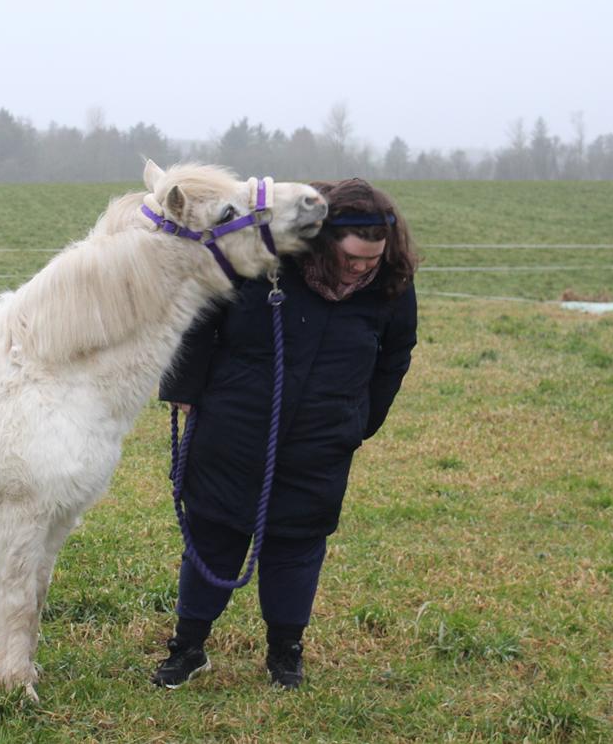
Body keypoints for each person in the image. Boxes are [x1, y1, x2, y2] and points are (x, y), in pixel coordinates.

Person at [151, 177, 418, 689]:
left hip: (322, 439)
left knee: (296, 545)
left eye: (372, 260)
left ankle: (285, 652)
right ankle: (188, 647)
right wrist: (185, 387)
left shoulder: (391, 285)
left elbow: (396, 354)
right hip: (233, 425)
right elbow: (201, 315)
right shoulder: (264, 259)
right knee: (214, 535)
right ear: (323, 240)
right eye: (351, 258)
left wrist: (361, 420)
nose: (360, 269)